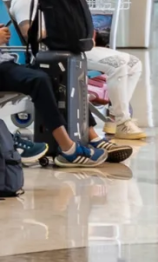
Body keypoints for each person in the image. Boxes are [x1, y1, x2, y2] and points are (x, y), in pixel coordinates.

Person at [11, 0, 148, 143]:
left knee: (134, 63)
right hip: (56, 53)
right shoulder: (23, 1)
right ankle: (123, 121)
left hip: (72, 48)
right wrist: (62, 27)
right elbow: (29, 33)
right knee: (118, 64)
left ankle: (114, 117)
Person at [0, 24, 109, 167]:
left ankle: (91, 135)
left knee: (55, 73)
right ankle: (69, 149)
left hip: (6, 62)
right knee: (39, 81)